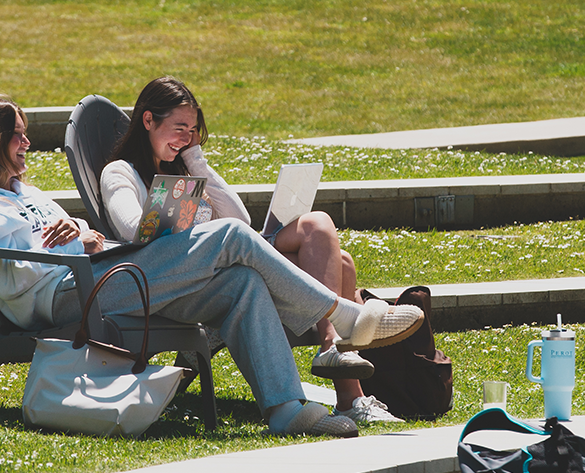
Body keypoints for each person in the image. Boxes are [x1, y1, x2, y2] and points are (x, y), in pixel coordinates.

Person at [0, 94, 423, 439]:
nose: (26, 145)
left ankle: (285, 407)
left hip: (105, 273)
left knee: (240, 280)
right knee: (231, 236)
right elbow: (22, 272)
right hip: (68, 295)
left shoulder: (26, 193)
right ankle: (346, 316)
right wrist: (73, 243)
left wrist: (83, 235)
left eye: (25, 135)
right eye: (17, 137)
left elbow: (84, 235)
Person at [101, 76, 409, 423]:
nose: (185, 138)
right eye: (178, 128)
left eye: (193, 131)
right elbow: (131, 228)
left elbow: (239, 219)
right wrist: (175, 212)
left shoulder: (186, 169)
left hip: (222, 263)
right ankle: (340, 337)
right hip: (170, 276)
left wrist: (195, 160)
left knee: (338, 257)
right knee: (334, 259)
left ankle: (338, 366)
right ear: (148, 121)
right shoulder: (120, 172)